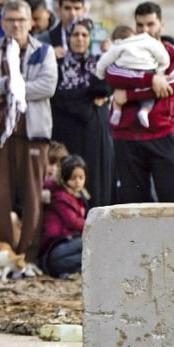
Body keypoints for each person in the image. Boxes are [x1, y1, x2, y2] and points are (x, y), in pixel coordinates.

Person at [0, 0, 58, 270]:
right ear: (2, 22)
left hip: (32, 134)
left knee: (32, 197)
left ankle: (28, 257)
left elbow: (47, 85)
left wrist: (4, 93)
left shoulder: (44, 51)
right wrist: (10, 84)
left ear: (31, 22)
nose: (16, 25)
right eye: (10, 20)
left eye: (21, 19)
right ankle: (4, 255)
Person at [104, 2, 174, 204]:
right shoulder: (122, 54)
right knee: (132, 206)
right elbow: (111, 74)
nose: (145, 31)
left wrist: (128, 94)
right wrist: (151, 80)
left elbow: (170, 86)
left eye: (150, 24)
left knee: (173, 203)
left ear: (162, 25)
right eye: (140, 25)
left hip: (162, 134)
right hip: (126, 137)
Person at [54, 18, 114, 207]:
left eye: (84, 35)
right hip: (67, 131)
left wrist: (107, 54)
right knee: (69, 178)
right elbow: (58, 96)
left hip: (95, 133)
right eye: (75, 34)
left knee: (95, 182)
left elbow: (105, 89)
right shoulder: (59, 64)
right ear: (68, 37)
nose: (80, 39)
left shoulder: (99, 63)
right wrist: (88, 95)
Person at [96, 25, 169, 129]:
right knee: (149, 98)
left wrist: (100, 74)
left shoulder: (117, 46)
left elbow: (104, 61)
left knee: (118, 90)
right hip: (147, 70)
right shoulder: (145, 40)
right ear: (133, 34)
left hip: (125, 72)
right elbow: (163, 56)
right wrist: (160, 71)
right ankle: (144, 111)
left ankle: (117, 110)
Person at [41, 155, 87, 278]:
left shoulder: (78, 196)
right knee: (94, 241)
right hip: (57, 249)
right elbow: (73, 222)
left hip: (67, 246)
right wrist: (93, 224)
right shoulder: (61, 197)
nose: (78, 181)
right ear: (65, 178)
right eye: (73, 178)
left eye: (81, 177)